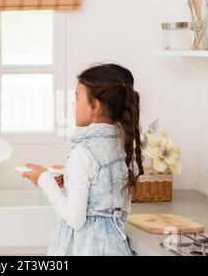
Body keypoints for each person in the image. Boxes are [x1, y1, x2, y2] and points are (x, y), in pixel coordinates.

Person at [22, 63, 143, 256]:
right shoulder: (125, 146)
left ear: (94, 105)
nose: (73, 104)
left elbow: (75, 219)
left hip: (85, 248)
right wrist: (70, 178)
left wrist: (45, 180)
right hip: (115, 247)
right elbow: (120, 207)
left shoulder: (83, 152)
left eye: (77, 97)